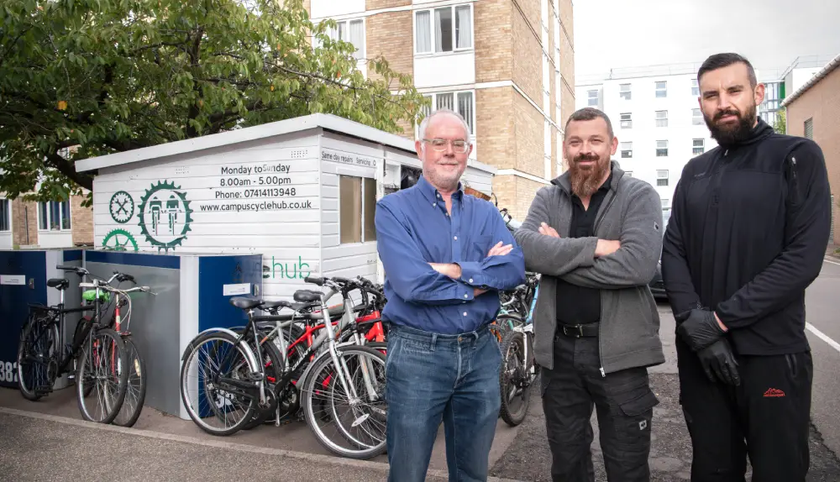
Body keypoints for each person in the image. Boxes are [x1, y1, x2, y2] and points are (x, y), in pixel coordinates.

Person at [662, 52, 832, 482]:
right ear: (701, 103)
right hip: (702, 356)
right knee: (712, 470)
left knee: (780, 470)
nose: (723, 103)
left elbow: (802, 260)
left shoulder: (797, 156)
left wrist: (719, 320)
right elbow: (674, 250)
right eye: (711, 95)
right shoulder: (695, 171)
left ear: (757, 94)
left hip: (770, 354)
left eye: (734, 91)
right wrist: (695, 326)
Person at [513, 107, 665, 482]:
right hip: (559, 353)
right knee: (567, 463)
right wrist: (597, 246)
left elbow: (638, 266)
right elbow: (525, 249)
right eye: (576, 142)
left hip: (619, 354)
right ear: (565, 148)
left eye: (595, 141)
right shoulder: (549, 196)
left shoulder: (638, 195)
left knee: (626, 464)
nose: (586, 150)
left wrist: (559, 255)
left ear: (612, 145)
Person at [375, 109, 526, 482]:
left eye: (457, 144)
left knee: (473, 472)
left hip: (479, 353)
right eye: (438, 143)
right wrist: (480, 278)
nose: (448, 151)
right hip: (416, 355)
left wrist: (452, 269)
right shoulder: (392, 210)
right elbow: (411, 283)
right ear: (420, 149)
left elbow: (513, 271)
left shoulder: (486, 212)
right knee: (408, 472)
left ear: (468, 151)